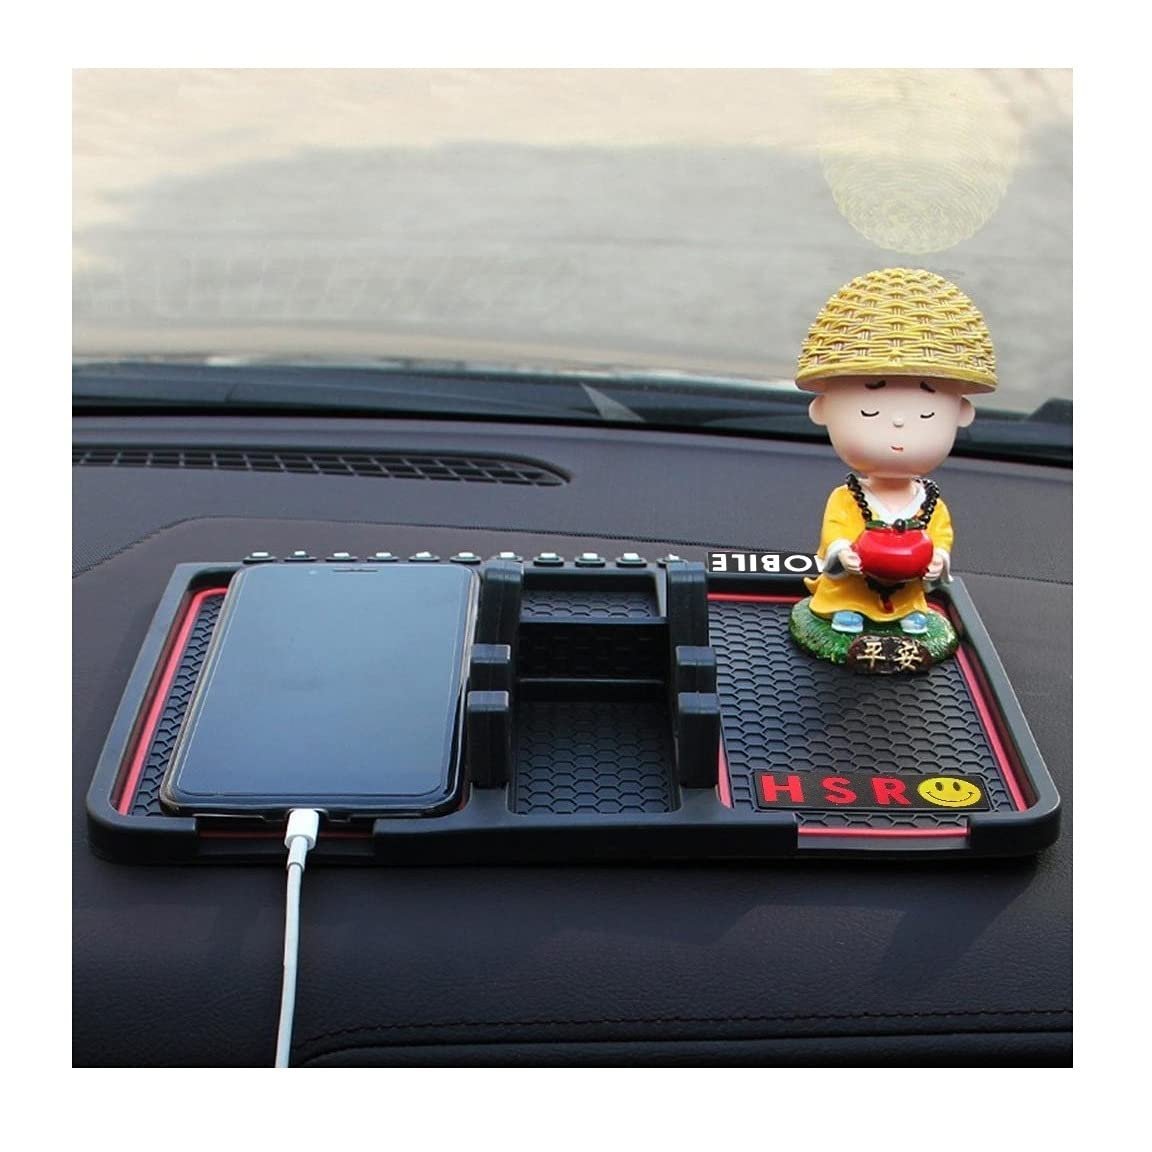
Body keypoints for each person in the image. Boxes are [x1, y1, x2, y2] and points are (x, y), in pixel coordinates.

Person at [792, 268, 997, 666]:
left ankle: (906, 614)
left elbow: (941, 536)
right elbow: (835, 534)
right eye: (869, 412)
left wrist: (937, 558)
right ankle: (845, 608)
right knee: (846, 597)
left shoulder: (930, 503)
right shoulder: (847, 498)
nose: (899, 425)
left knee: (909, 602)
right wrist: (843, 553)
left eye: (926, 416)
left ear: (961, 413)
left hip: (907, 585)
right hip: (852, 583)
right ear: (823, 409)